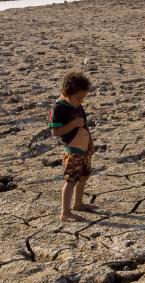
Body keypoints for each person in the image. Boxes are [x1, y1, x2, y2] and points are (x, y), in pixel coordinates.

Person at [48, 72, 96, 221]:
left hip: (84, 149)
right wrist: (73, 124)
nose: (81, 102)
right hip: (73, 150)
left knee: (83, 177)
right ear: (65, 93)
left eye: (83, 98)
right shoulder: (58, 108)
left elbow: (85, 126)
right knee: (71, 181)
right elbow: (55, 131)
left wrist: (90, 142)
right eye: (78, 98)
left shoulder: (77, 104)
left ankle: (78, 203)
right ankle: (65, 212)